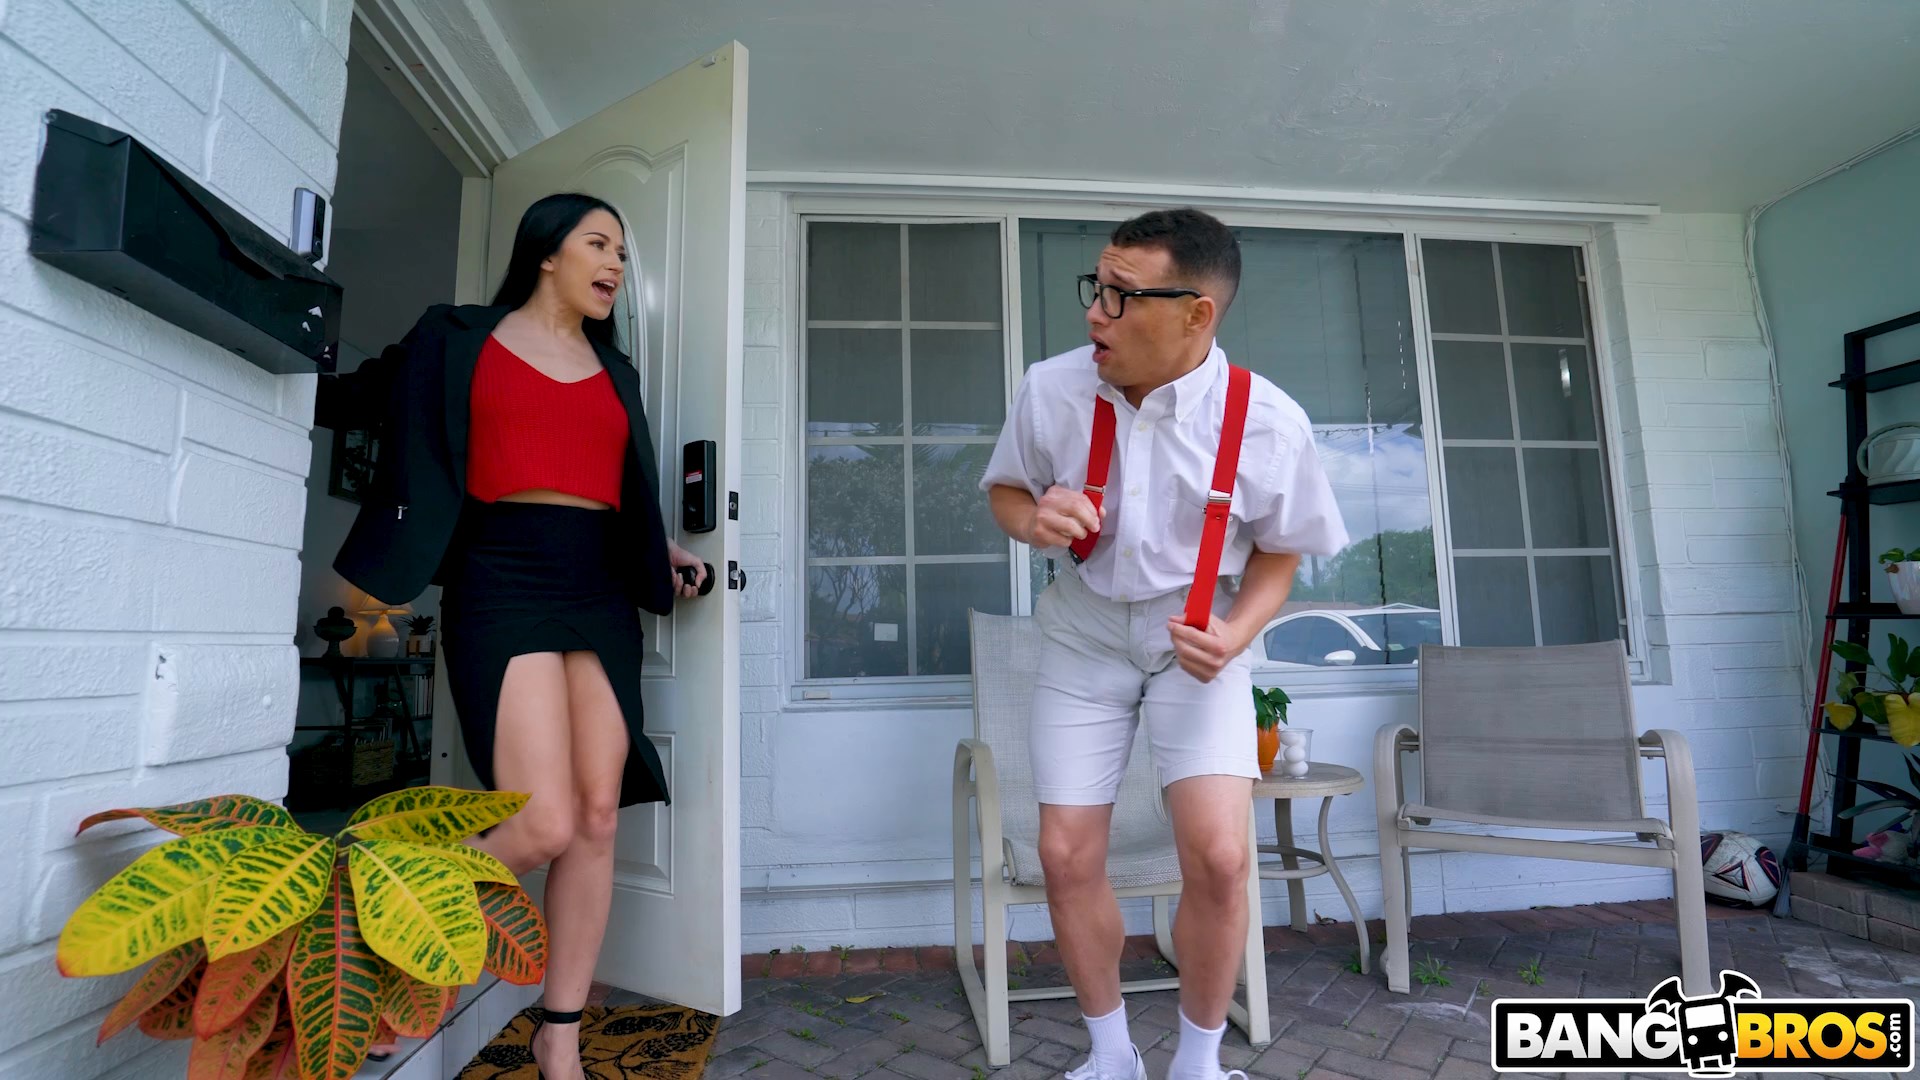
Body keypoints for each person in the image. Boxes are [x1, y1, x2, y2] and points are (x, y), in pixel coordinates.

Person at [331, 192, 709, 1080]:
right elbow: (361, 397)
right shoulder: (457, 336)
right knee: (538, 822)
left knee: (597, 817)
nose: (616, 264)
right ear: (546, 251)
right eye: (599, 244)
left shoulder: (616, 370)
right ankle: (389, 955)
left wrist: (657, 547)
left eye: (623, 253)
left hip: (599, 582)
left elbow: (615, 481)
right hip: (500, 573)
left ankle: (559, 1034)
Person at [979, 208, 1348, 1080]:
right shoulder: (1052, 389)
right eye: (1095, 288)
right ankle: (1112, 1057)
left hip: (1200, 636)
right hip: (1084, 634)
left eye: (1121, 295)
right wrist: (1034, 520)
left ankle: (1198, 1064)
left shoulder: (1269, 420)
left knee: (1220, 859)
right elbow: (1006, 491)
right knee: (1064, 855)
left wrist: (1236, 633)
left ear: (1196, 314)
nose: (1094, 312)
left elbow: (1281, 553)